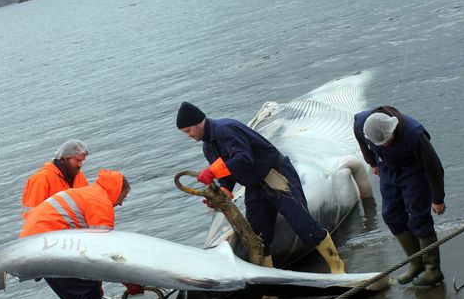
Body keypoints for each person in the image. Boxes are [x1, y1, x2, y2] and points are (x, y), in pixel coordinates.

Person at [176, 101, 346, 273]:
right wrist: (225, 191)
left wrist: (212, 171)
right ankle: (269, 285)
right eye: (184, 133)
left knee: (302, 223)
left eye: (188, 130)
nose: (188, 135)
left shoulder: (225, 129)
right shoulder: (208, 147)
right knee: (257, 237)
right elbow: (225, 175)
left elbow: (244, 158)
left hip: (276, 175)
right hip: (254, 185)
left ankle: (337, 265)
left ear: (198, 122)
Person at [20, 169, 139, 299]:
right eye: (124, 196)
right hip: (50, 245)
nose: (122, 203)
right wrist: (129, 281)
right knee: (86, 288)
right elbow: (105, 251)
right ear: (116, 190)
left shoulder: (88, 193)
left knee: (71, 293)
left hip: (32, 246)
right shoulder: (101, 203)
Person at [353, 106, 446, 287]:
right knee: (391, 215)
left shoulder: (413, 134)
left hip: (413, 171)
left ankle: (432, 269)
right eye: (381, 143)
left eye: (388, 140)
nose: (386, 144)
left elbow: (434, 166)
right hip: (388, 169)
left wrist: (438, 198)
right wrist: (372, 162)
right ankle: (416, 263)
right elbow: (360, 138)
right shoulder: (362, 124)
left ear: (393, 128)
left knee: (418, 217)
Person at [21, 139, 90, 220]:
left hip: (74, 228)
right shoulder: (41, 179)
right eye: (77, 160)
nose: (80, 165)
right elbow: (32, 215)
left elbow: (87, 204)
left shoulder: (79, 176)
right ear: (63, 159)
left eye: (82, 161)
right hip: (50, 230)